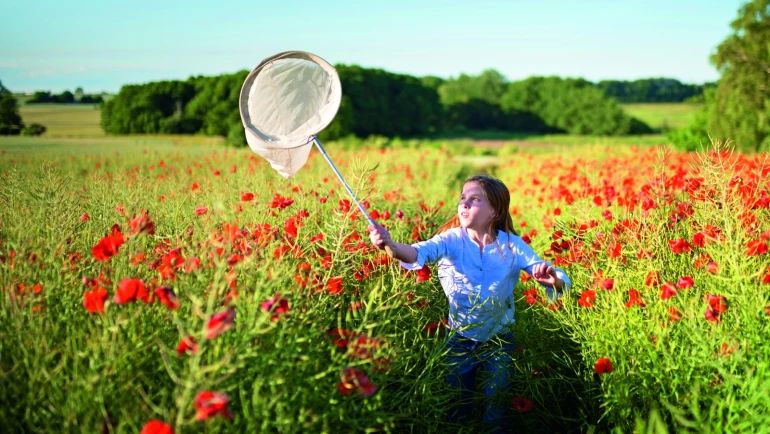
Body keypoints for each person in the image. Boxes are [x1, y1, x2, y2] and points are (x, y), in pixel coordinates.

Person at [368, 174, 571, 429]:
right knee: (456, 407)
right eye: (463, 198)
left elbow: (553, 276)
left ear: (494, 210)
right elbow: (417, 252)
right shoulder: (451, 239)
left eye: (474, 199)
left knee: (496, 410)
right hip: (459, 339)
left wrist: (552, 280)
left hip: (499, 340)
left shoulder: (512, 245)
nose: (464, 204)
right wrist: (389, 244)